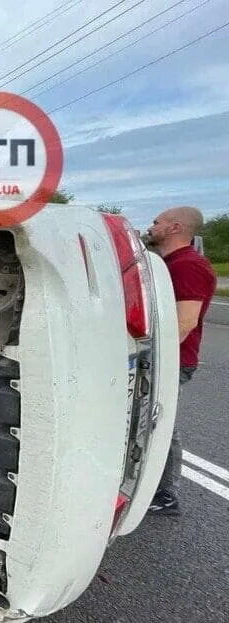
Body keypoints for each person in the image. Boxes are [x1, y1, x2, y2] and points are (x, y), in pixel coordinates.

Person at [146, 206, 217, 515]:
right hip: (164, 359)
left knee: (160, 425)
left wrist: (156, 361)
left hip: (172, 362)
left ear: (174, 228)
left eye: (156, 222)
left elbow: (184, 322)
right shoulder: (168, 263)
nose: (151, 226)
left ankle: (165, 495)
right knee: (151, 424)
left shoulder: (188, 265)